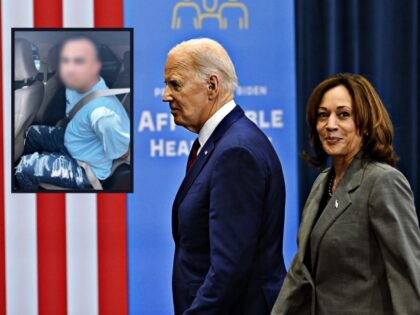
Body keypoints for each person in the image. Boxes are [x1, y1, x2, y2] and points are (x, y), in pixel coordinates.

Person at [271, 73, 420, 315]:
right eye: (322, 115)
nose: (330, 125)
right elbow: (301, 272)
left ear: (365, 123)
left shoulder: (383, 182)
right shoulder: (322, 182)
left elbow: (407, 278)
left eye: (343, 115)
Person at [163, 38, 286, 315]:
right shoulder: (221, 144)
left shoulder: (236, 152)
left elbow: (228, 270)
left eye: (175, 84)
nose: (165, 95)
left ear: (212, 86)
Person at [15, 35, 130, 190]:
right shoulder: (73, 86)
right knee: (31, 133)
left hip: (86, 168)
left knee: (24, 167)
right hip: (74, 143)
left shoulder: (104, 114)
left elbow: (122, 152)